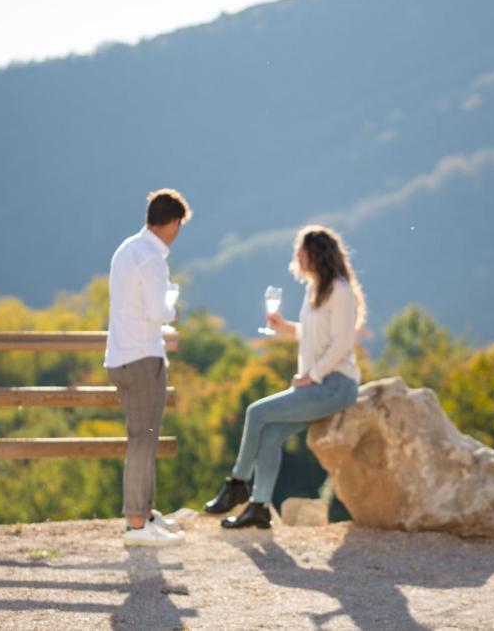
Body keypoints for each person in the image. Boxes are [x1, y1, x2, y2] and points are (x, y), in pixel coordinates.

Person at [204, 225, 365, 528]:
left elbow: (342, 342)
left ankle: (237, 483)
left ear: (316, 255)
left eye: (300, 253)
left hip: (335, 385)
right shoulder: (315, 288)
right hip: (318, 385)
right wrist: (285, 327)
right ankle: (259, 506)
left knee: (256, 412)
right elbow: (315, 333)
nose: (297, 259)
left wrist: (311, 375)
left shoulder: (341, 290)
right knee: (271, 434)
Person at [105, 188, 191, 547]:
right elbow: (158, 312)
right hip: (142, 357)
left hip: (120, 356)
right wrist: (173, 309)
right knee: (143, 439)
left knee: (144, 436)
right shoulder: (153, 258)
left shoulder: (127, 249)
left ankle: (145, 512)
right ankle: (137, 524)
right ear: (173, 223)